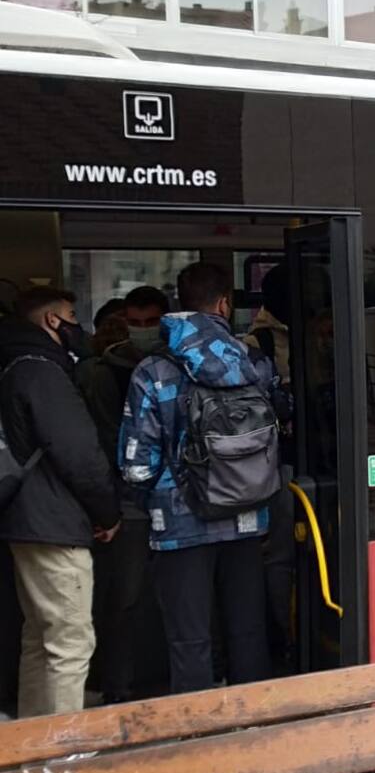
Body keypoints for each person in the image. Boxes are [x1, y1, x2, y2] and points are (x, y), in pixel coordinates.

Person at [120, 262, 272, 694]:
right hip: (246, 514)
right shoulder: (254, 361)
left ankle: (197, 737)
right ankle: (255, 725)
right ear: (225, 304)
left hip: (179, 525)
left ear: (178, 305)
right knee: (247, 631)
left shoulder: (152, 371)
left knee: (189, 640)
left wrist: (149, 497)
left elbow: (137, 464)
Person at [0, 287, 120, 716]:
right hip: (54, 522)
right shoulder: (42, 371)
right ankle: (67, 755)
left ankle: (33, 742)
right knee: (70, 642)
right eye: (71, 314)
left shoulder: (13, 364)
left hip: (23, 519)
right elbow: (79, 453)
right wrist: (107, 512)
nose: (77, 324)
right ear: (53, 321)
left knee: (40, 637)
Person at [76, 284, 168, 703]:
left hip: (169, 500)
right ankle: (118, 687)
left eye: (151, 323)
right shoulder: (102, 372)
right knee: (125, 600)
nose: (143, 330)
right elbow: (104, 442)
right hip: (129, 504)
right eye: (136, 323)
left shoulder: (175, 365)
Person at [243, 264, 296, 676]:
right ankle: (286, 638)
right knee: (279, 558)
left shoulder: (322, 332)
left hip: (325, 462)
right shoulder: (255, 344)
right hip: (278, 466)